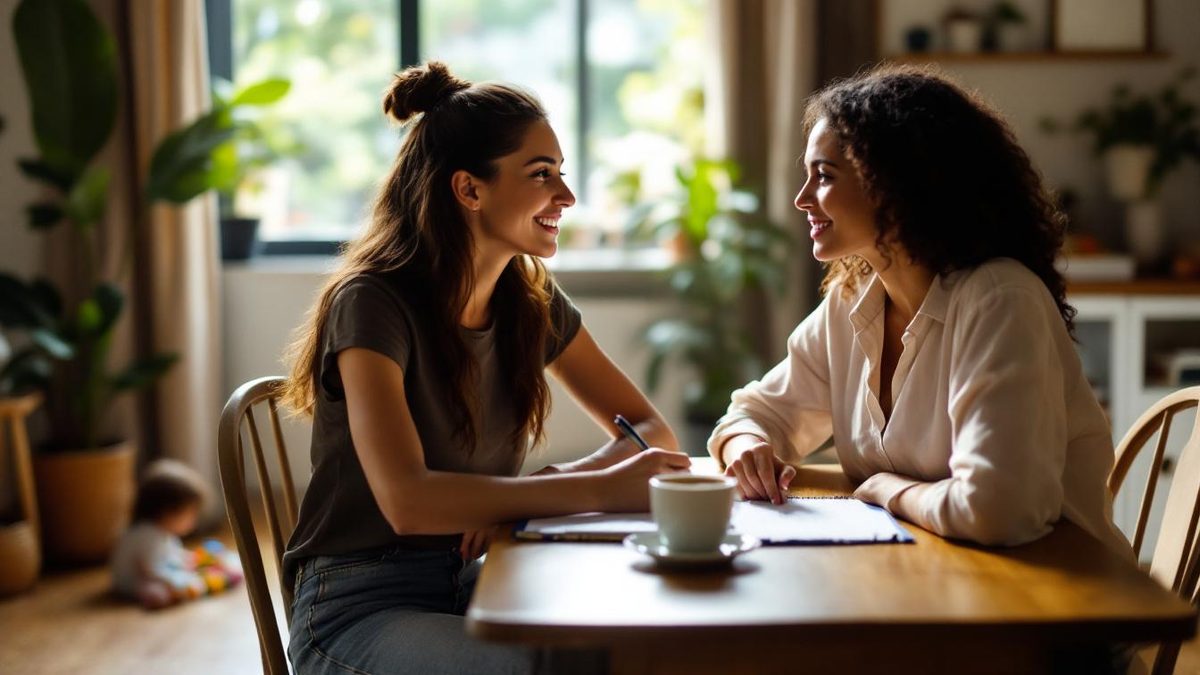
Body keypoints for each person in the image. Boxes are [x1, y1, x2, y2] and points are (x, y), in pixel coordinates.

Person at [279, 61, 688, 675]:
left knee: (621, 645)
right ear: (469, 190)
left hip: (476, 577)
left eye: (562, 174)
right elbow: (409, 503)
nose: (567, 197)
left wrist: (538, 492)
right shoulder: (371, 301)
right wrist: (588, 490)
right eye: (541, 174)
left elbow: (652, 431)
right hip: (357, 606)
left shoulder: (530, 302)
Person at [709, 64, 1130, 557]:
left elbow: (997, 510)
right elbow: (756, 414)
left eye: (823, 176)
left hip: (1053, 605)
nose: (802, 199)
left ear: (893, 182)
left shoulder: (999, 299)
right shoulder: (852, 302)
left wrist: (885, 489)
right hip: (933, 579)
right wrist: (747, 448)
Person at [110, 459, 243, 609]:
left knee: (190, 563)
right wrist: (185, 579)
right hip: (135, 582)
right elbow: (153, 570)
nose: (194, 521)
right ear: (168, 512)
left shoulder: (162, 532)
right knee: (160, 592)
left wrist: (189, 560)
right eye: (191, 514)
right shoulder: (146, 537)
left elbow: (170, 553)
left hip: (154, 569)